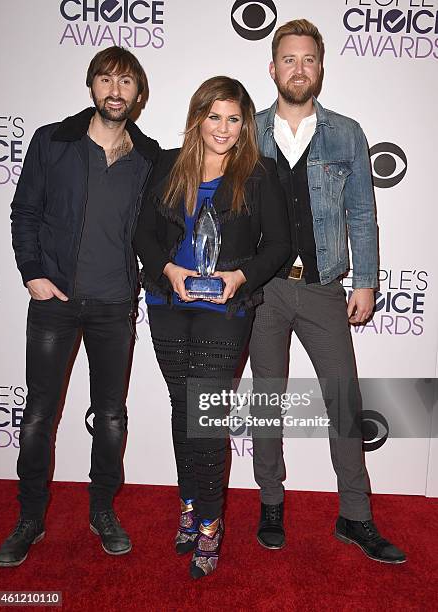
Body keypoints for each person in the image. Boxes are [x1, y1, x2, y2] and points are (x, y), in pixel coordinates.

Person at [0, 46, 160, 567]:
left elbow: (158, 230)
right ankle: (30, 517)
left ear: (139, 93)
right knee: (40, 414)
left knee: (110, 415)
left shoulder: (151, 157)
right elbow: (25, 212)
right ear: (92, 86)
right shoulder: (54, 141)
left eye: (127, 82)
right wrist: (33, 274)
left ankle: (102, 510)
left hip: (115, 303)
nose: (116, 91)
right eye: (107, 80)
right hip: (55, 302)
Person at [249, 19, 406, 563]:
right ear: (273, 68)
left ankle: (355, 516)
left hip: (323, 291)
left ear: (320, 67)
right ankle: (270, 504)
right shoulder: (248, 131)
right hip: (262, 291)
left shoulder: (346, 134)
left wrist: (367, 280)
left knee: (344, 402)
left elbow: (362, 212)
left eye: (308, 59)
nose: (298, 68)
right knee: (267, 402)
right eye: (288, 59)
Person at [134, 76, 291, 578]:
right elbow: (143, 234)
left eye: (234, 118)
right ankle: (189, 504)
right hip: (168, 300)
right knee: (184, 411)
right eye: (214, 116)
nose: (223, 128)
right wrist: (170, 271)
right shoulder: (166, 164)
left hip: (226, 308)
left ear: (244, 123)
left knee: (205, 417)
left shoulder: (260, 172)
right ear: (198, 116)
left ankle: (209, 522)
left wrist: (239, 275)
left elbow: (279, 246)